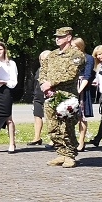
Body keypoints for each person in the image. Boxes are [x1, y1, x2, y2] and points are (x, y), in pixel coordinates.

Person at [39, 27, 85, 167]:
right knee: (53, 127)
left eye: (60, 36)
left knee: (67, 127)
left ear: (69, 37)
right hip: (51, 95)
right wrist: (44, 85)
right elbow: (43, 70)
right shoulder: (52, 55)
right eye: (56, 36)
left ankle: (70, 155)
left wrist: (51, 83)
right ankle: (61, 153)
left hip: (67, 96)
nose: (57, 39)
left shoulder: (76, 55)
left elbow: (71, 74)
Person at [71, 37, 95, 151]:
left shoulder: (88, 58)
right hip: (71, 84)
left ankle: (81, 141)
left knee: (82, 116)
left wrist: (79, 90)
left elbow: (87, 75)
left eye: (75, 46)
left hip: (82, 87)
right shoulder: (69, 58)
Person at [28, 50, 51, 146]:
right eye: (41, 60)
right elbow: (35, 84)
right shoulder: (39, 70)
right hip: (38, 96)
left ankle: (52, 139)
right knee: (37, 116)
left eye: (46, 60)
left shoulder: (53, 71)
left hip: (49, 96)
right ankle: (37, 137)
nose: (43, 62)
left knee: (50, 118)